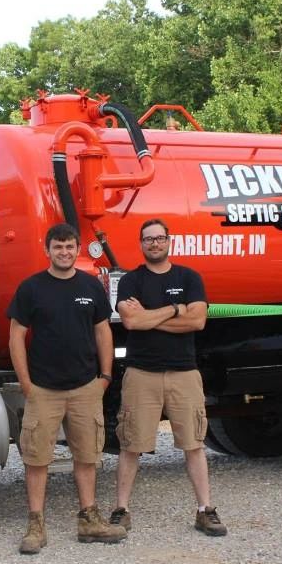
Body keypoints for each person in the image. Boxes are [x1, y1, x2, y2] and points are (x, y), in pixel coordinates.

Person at [8, 222, 127, 554]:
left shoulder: (90, 286)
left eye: (69, 246)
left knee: (87, 455)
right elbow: (16, 335)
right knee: (36, 458)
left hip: (85, 387)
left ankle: (89, 519)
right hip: (43, 389)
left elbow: (103, 332)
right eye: (58, 246)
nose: (64, 252)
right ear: (48, 250)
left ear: (77, 250)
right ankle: (35, 524)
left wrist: (104, 377)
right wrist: (26, 383)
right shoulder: (31, 288)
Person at [111, 218, 227, 536]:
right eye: (148, 239)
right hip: (141, 374)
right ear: (141, 244)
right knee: (131, 444)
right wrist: (175, 310)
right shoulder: (131, 281)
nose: (154, 243)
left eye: (159, 238)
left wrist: (151, 315)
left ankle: (205, 510)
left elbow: (198, 321)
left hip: (184, 373)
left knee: (193, 443)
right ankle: (121, 509)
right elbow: (131, 322)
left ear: (168, 241)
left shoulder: (189, 277)